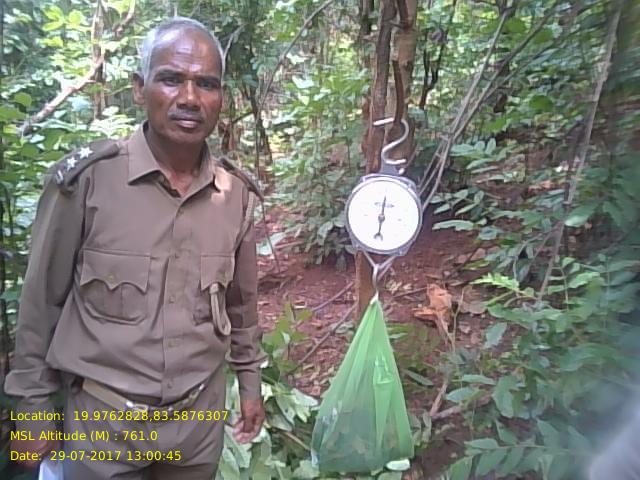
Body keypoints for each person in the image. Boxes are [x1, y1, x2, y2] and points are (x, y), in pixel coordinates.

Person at [4, 16, 266, 479]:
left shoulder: (235, 195)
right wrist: (32, 409)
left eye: (206, 84)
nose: (190, 98)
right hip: (103, 425)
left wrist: (250, 382)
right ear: (139, 89)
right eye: (171, 79)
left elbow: (241, 305)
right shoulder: (88, 183)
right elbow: (41, 304)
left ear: (221, 98)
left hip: (198, 423)